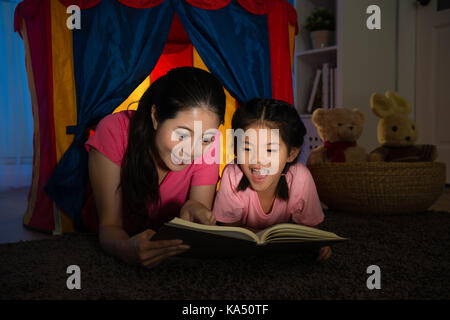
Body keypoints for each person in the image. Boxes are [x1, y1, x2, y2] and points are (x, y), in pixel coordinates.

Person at [85, 67, 225, 269]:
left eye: (206, 139)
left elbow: (196, 224)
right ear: (155, 117)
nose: (192, 151)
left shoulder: (211, 144)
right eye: (183, 135)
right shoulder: (113, 131)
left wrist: (194, 209)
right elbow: (109, 227)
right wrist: (125, 248)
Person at [212, 98, 331, 260]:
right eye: (247, 148)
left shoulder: (300, 177)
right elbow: (231, 233)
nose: (258, 160)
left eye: (270, 149)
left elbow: (310, 229)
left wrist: (318, 241)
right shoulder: (233, 174)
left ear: (292, 153)